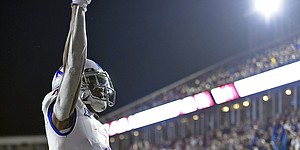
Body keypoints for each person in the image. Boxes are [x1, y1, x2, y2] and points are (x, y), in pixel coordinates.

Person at [41, 0, 116, 149]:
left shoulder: (99, 127)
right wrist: (79, 8)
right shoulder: (64, 113)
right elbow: (73, 68)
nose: (101, 88)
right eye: (94, 82)